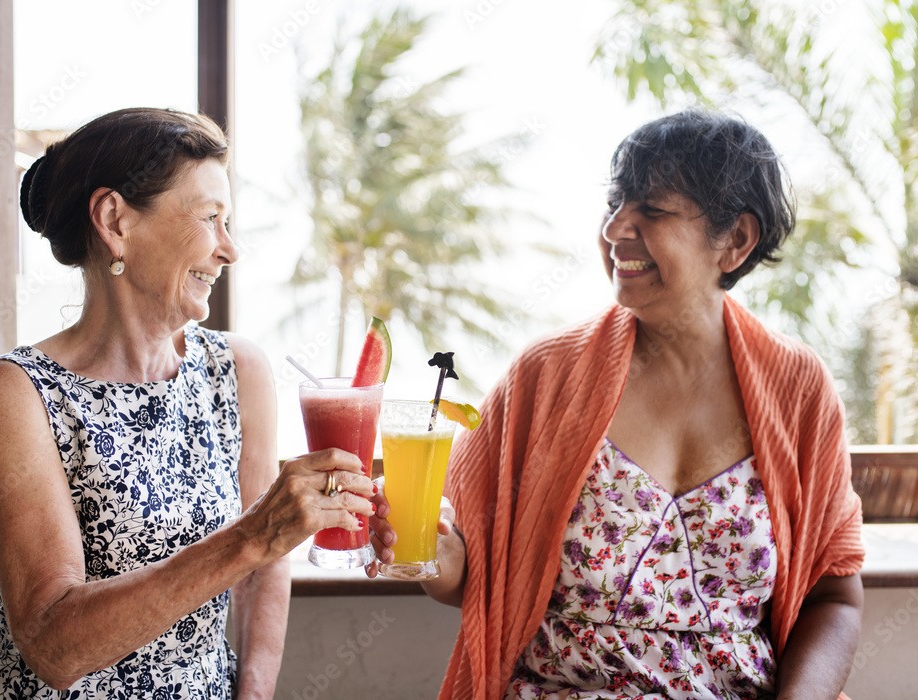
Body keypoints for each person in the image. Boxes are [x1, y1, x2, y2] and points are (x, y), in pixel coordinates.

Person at [369, 110, 865, 699]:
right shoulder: (544, 375)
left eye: (652, 210)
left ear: (735, 240)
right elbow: (469, 574)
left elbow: (833, 595)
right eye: (614, 204)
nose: (614, 229)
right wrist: (419, 549)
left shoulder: (799, 388)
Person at [0, 107, 376, 698]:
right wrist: (250, 535)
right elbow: (53, 645)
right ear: (115, 221)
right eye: (210, 218)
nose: (230, 249)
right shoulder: (13, 393)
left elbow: (263, 570)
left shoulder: (237, 371)